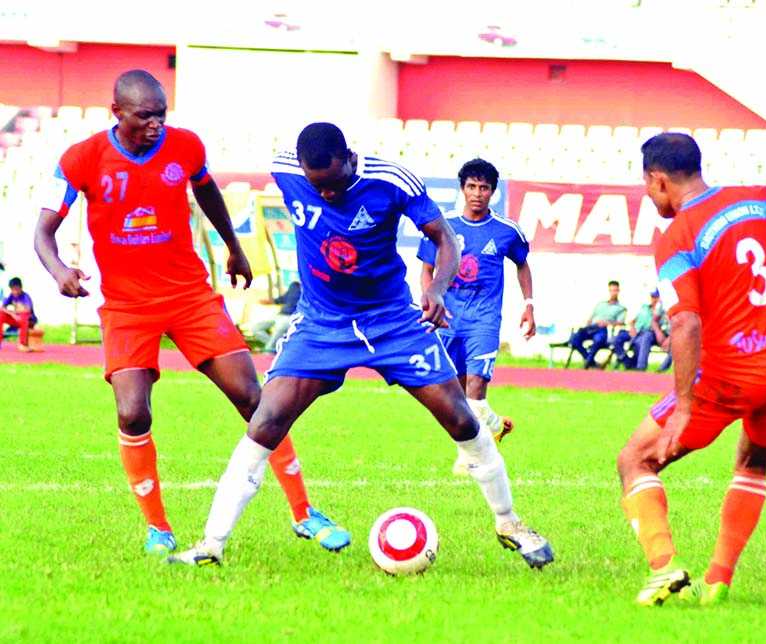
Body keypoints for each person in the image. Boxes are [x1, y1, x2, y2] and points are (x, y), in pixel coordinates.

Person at [167, 122, 553, 569]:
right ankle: (210, 546)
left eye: (334, 184)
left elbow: (445, 237)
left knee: (459, 416)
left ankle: (509, 523)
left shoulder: (391, 181)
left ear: (350, 157)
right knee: (265, 420)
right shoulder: (284, 168)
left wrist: (439, 289)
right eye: (318, 188)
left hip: (391, 320)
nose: (327, 194)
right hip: (321, 324)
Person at [33, 70, 348, 557]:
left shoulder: (185, 147)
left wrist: (233, 247)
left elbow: (207, 193)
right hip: (127, 305)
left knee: (255, 398)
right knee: (132, 412)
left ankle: (305, 513)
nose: (156, 124)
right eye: (145, 116)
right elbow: (43, 233)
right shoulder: (81, 159)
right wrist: (58, 271)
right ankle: (158, 528)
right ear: (116, 112)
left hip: (189, 296)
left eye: (161, 114)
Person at [616, 132, 766, 607]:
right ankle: (718, 580)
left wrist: (684, 407)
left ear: (658, 180)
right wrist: (762, 230)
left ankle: (664, 568)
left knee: (635, 460)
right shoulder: (757, 198)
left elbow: (684, 323)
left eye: (647, 186)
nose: (649, 195)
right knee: (753, 461)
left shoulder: (676, 236)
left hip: (728, 374)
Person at [416, 158, 533, 477]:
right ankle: (495, 427)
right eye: (472, 186)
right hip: (449, 319)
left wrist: (529, 304)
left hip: (484, 320)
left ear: (493, 192)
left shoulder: (507, 231)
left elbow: (522, 264)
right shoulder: (443, 226)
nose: (477, 193)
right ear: (462, 189)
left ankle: (469, 456)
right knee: (454, 395)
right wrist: (432, 302)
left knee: (476, 394)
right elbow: (427, 270)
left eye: (484, 187)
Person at [568, 280, 628, 368]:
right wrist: (588, 324)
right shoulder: (600, 305)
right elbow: (591, 317)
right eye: (612, 290)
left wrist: (607, 323)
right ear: (609, 291)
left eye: (615, 290)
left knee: (598, 339)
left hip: (603, 329)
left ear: (618, 291)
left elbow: (620, 323)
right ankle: (591, 362)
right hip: (591, 328)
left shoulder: (621, 308)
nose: (613, 293)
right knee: (574, 338)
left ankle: (588, 362)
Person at [613, 289, 665, 371]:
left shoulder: (661, 311)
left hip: (648, 333)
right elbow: (633, 321)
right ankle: (627, 362)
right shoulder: (644, 308)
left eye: (656, 298)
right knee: (617, 339)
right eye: (652, 297)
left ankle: (640, 367)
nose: (654, 300)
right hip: (635, 331)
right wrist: (632, 328)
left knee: (639, 342)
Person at [250, 280, 302, 354]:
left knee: (280, 327)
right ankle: (278, 346)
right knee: (255, 328)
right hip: (280, 315)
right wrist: (272, 301)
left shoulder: (308, 289)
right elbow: (284, 298)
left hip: (291, 317)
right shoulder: (294, 285)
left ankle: (268, 352)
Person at [1, 276, 38, 352]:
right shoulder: (11, 296)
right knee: (1, 314)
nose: (16, 292)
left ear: (21, 288)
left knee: (24, 316)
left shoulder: (25, 296)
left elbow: (28, 310)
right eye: (14, 290)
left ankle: (23, 345)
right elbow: (2, 308)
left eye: (17, 289)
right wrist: (12, 314)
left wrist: (16, 312)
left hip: (29, 321)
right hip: (16, 319)